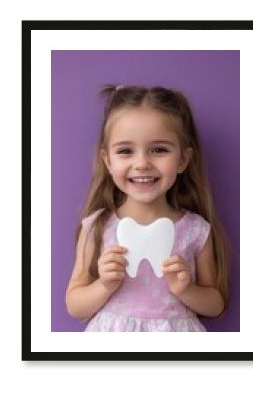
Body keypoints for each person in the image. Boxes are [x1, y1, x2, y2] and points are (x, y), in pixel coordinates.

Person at [65, 84, 229, 331]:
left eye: (159, 150)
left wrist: (187, 289)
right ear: (108, 161)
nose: (142, 163)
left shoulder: (196, 230)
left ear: (183, 160)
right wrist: (104, 285)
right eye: (125, 151)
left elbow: (215, 305)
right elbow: (74, 305)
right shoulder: (98, 226)